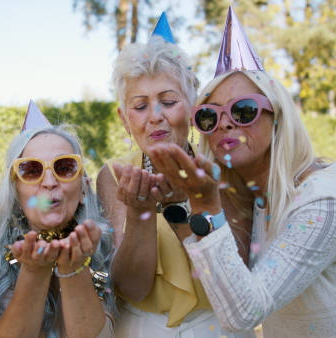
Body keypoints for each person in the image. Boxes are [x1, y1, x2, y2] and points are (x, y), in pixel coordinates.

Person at [148, 7, 336, 337]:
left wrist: (205, 208)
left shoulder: (324, 203)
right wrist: (180, 210)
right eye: (208, 116)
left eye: (243, 110)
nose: (226, 123)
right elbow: (226, 287)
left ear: (279, 117)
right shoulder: (259, 196)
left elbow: (243, 313)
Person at [97, 12, 254, 337]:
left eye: (168, 101)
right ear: (125, 120)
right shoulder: (114, 176)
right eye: (140, 107)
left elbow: (235, 281)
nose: (155, 117)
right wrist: (139, 212)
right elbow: (131, 288)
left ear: (194, 105)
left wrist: (184, 208)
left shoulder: (225, 169)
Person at [0, 101, 115, 337]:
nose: (49, 182)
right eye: (31, 170)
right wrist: (34, 271)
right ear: (15, 191)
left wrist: (74, 265)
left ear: (84, 189)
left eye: (64, 167)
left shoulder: (99, 238)